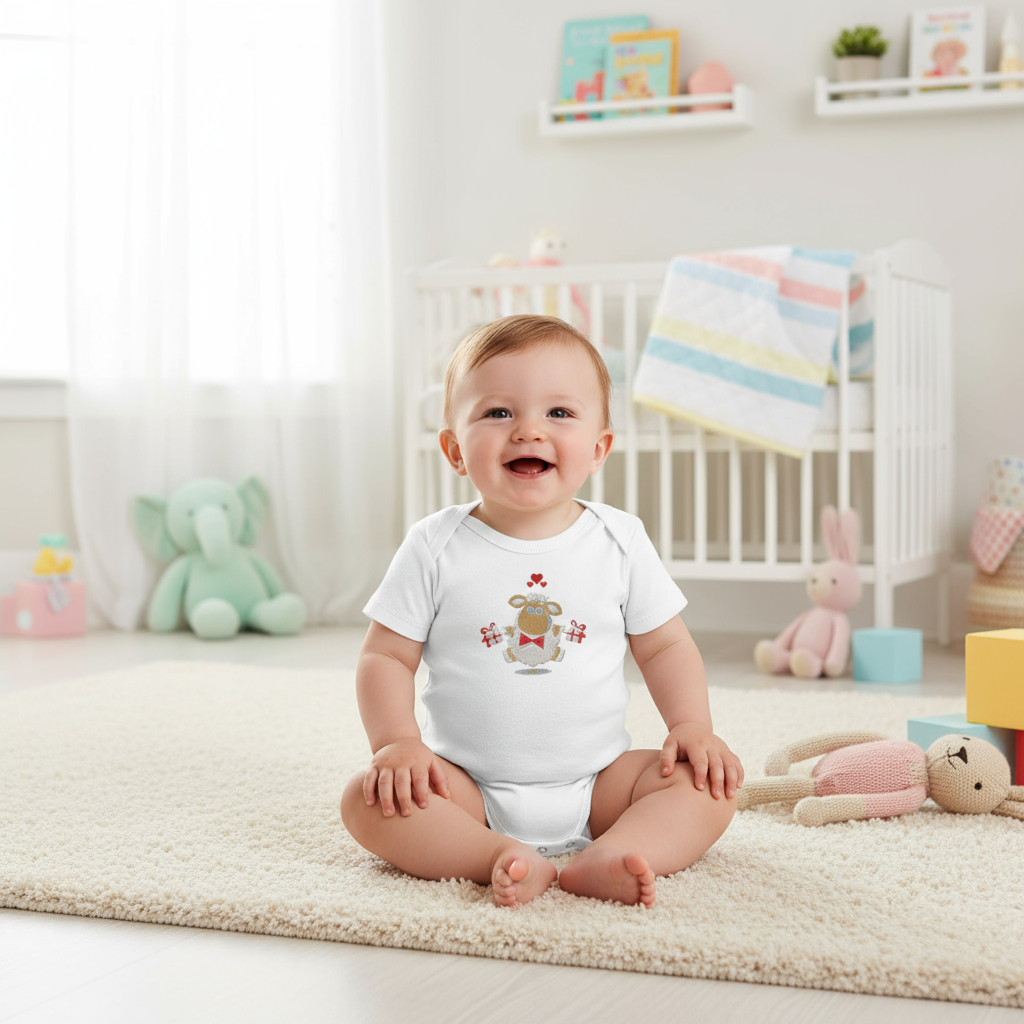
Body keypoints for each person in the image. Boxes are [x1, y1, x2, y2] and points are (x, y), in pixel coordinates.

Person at [341, 314, 742, 909]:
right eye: (498, 413)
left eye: (559, 413)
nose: (528, 431)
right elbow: (385, 655)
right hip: (464, 786)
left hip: (601, 782)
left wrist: (691, 728)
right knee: (366, 801)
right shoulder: (434, 544)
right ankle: (495, 857)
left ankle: (616, 853)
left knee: (710, 787)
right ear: (454, 448)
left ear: (599, 448)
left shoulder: (619, 539)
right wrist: (396, 743)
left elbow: (664, 646)